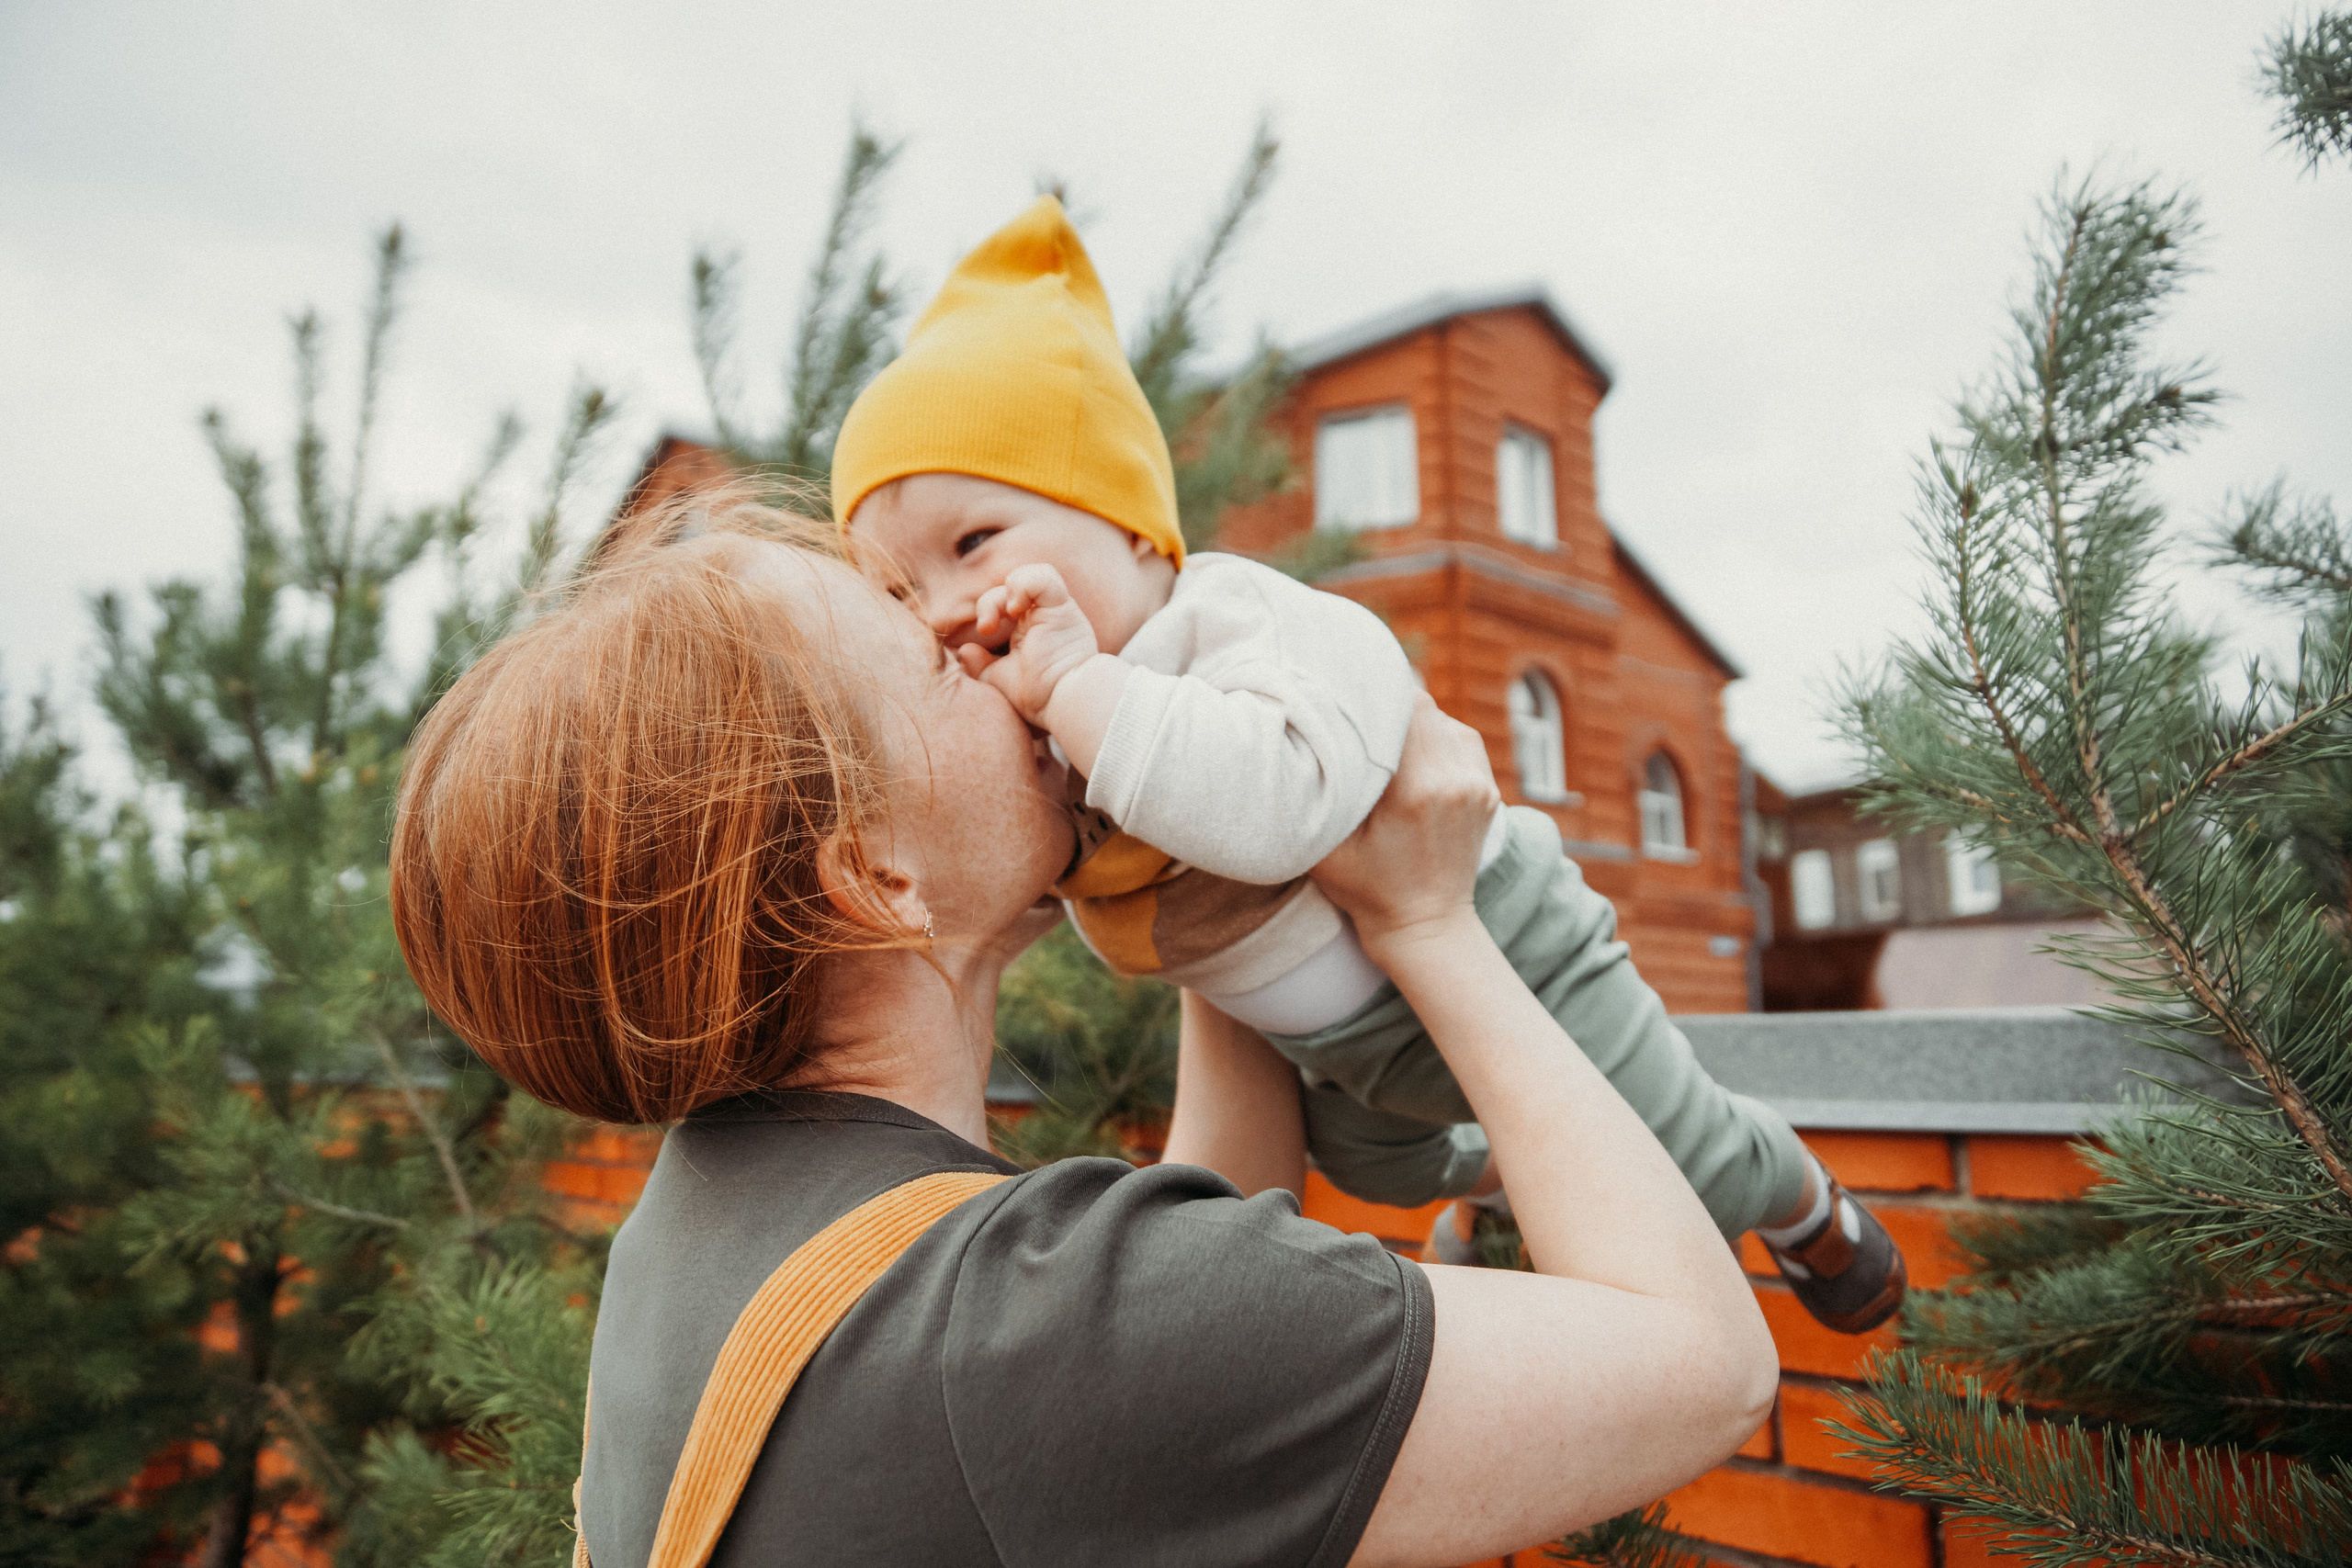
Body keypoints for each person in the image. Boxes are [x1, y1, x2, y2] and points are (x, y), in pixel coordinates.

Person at [388, 494, 1778, 1566]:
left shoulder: (709, 1225)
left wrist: (1220, 880)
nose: (998, 658)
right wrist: (1429, 923)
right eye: (937, 667)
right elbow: (1701, 1365)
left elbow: (1176, 1304)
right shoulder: (1025, 1331)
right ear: (875, 880)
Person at [834, 195, 1903, 1331]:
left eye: (973, 543)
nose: (946, 608)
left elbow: (1278, 811)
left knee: (1688, 1157)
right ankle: (1508, 1187)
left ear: (1132, 525)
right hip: (1336, 1038)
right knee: (1390, 1170)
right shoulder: (1055, 717)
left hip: (1506, 941)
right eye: (898, 591)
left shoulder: (1242, 624)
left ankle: (1797, 1195)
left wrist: (1080, 694)